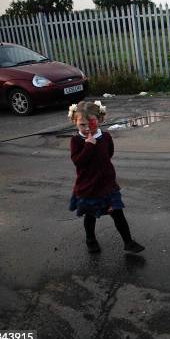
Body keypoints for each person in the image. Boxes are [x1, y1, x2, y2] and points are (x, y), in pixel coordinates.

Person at [68, 101, 145, 254]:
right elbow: (78, 162)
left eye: (91, 123)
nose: (87, 128)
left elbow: (108, 154)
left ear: (100, 120)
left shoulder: (106, 137)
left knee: (118, 213)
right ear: (74, 122)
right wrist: (89, 146)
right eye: (82, 124)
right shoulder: (76, 141)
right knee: (90, 216)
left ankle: (128, 242)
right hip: (88, 187)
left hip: (108, 185)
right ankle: (90, 239)